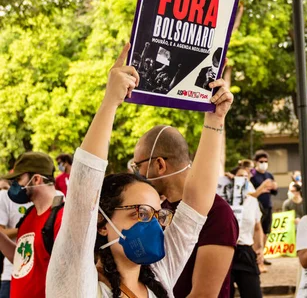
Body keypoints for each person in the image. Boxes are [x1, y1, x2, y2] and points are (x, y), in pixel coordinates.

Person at [46, 43, 233, 297]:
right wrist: (110, 102)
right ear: (102, 223)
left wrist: (215, 119)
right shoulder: (78, 282)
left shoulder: (158, 275)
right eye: (142, 213)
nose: (155, 225)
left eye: (158, 215)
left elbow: (197, 205)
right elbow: (84, 184)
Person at [131, 125, 239, 298]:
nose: (137, 174)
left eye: (138, 166)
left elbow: (203, 294)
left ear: (160, 164)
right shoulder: (161, 208)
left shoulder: (218, 213)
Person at [0, 152, 64, 298]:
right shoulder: (29, 215)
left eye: (18, 179)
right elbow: (21, 260)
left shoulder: (60, 218)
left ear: (36, 179)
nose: (14, 185)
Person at [229, 166, 264, 298]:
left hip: (245, 251)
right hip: (225, 251)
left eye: (246, 176)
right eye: (240, 175)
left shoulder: (252, 201)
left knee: (253, 292)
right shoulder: (222, 199)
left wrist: (260, 248)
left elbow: (257, 227)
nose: (243, 179)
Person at [0, 184, 32, 298]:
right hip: (11, 275)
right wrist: (26, 228)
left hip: (40, 278)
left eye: (19, 177)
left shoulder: (56, 197)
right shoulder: (5, 196)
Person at [250, 150, 278, 266]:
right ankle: (252, 255)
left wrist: (273, 187)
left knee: (266, 232)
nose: (264, 163)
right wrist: (263, 187)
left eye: (266, 161)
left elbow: (274, 191)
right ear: (256, 162)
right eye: (261, 161)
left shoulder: (269, 175)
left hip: (268, 205)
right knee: (256, 231)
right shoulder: (253, 175)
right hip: (256, 207)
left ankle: (262, 254)